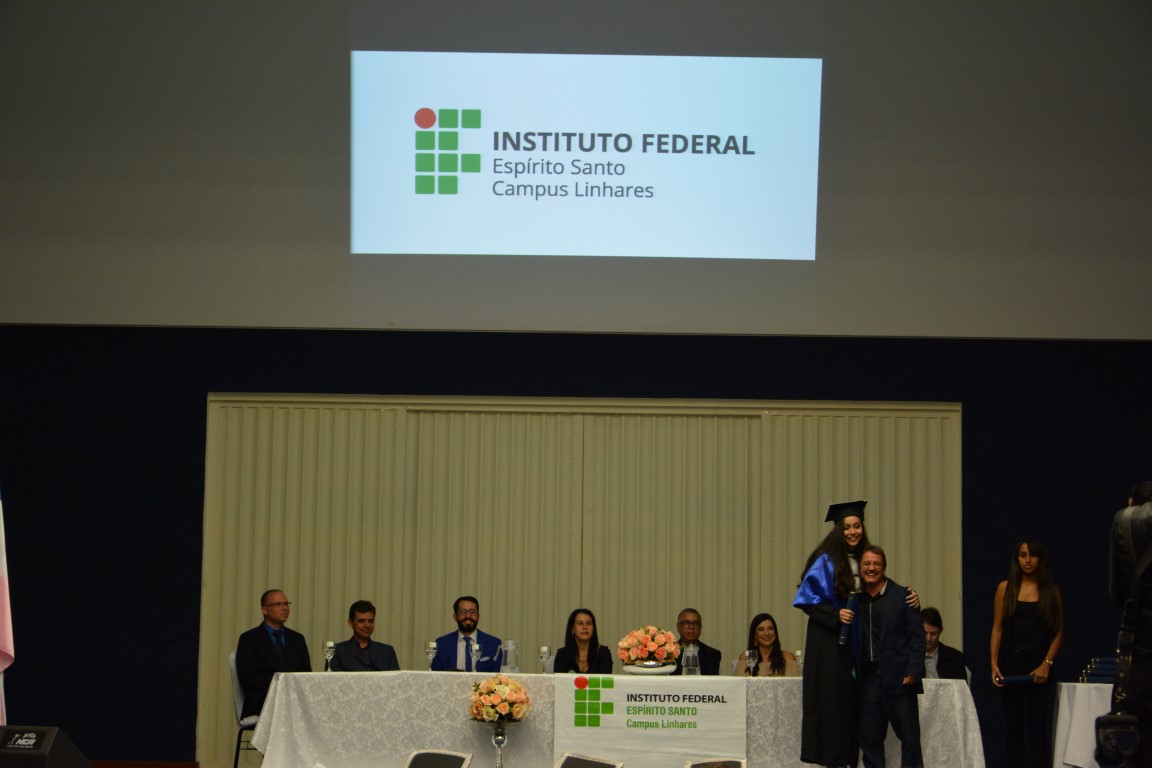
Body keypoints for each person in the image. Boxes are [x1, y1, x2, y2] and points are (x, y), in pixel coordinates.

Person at [793, 500, 920, 767]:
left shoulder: (864, 559)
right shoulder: (825, 561)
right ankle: (836, 761)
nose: (853, 532)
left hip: (858, 647)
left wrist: (909, 595)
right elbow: (806, 600)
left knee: (856, 711)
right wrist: (834, 615)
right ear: (838, 530)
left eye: (857, 526)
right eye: (847, 527)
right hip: (830, 644)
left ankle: (849, 761)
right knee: (834, 708)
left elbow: (881, 589)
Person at [990, 539, 1064, 768]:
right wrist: (994, 664)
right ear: (1017, 558)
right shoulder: (1005, 588)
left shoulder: (1051, 592)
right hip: (1011, 665)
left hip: (1039, 667)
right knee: (1013, 727)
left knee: (1038, 727)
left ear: (1040, 559)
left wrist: (1047, 663)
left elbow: (1058, 632)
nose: (1028, 560)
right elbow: (997, 628)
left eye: (1032, 555)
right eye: (1023, 555)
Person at [855, 546, 924, 768]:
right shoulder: (854, 599)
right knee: (870, 742)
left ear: (884, 567)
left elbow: (917, 637)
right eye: (867, 564)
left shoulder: (904, 596)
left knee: (911, 741)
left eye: (876, 564)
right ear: (860, 568)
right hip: (868, 682)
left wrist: (913, 672)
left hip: (900, 681)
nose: (871, 568)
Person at [1108, 481, 1152, 768]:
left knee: (1141, 743)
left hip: (1142, 646)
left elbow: (1118, 595)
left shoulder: (1123, 524)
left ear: (1131, 502)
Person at [235, 589, 312, 720]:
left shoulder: (297, 639)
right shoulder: (249, 639)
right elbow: (248, 680)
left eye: (286, 604)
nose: (284, 608)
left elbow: (306, 674)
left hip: (294, 700)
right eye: (278, 604)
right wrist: (282, 682)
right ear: (264, 610)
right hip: (262, 701)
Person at [430, 595, 502, 672]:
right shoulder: (441, 644)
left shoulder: (494, 644)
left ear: (478, 616)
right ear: (455, 617)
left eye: (472, 612)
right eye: (463, 612)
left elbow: (498, 676)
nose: (468, 616)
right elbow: (435, 676)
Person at [330, 599, 400, 671]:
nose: (367, 625)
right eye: (361, 621)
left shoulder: (387, 652)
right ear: (351, 623)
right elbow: (331, 677)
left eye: (370, 621)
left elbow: (397, 678)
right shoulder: (336, 651)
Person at [734, 612, 799, 677]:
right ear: (755, 635)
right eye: (761, 629)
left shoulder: (788, 658)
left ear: (775, 632)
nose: (767, 633)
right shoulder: (745, 657)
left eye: (770, 628)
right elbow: (741, 683)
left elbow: (793, 683)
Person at [552, 608, 613, 673]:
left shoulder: (603, 653)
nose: (585, 627)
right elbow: (559, 678)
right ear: (572, 629)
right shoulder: (562, 654)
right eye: (580, 623)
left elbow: (604, 678)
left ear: (593, 628)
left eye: (589, 623)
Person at [921, 606, 968, 680]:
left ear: (940, 631)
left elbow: (961, 687)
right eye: (925, 633)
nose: (928, 638)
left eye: (933, 634)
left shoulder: (956, 658)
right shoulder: (907, 656)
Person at [671, 608, 721, 675]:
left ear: (700, 628)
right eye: (686, 623)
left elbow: (711, 680)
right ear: (678, 627)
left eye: (696, 624)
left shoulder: (712, 654)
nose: (691, 627)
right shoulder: (668, 653)